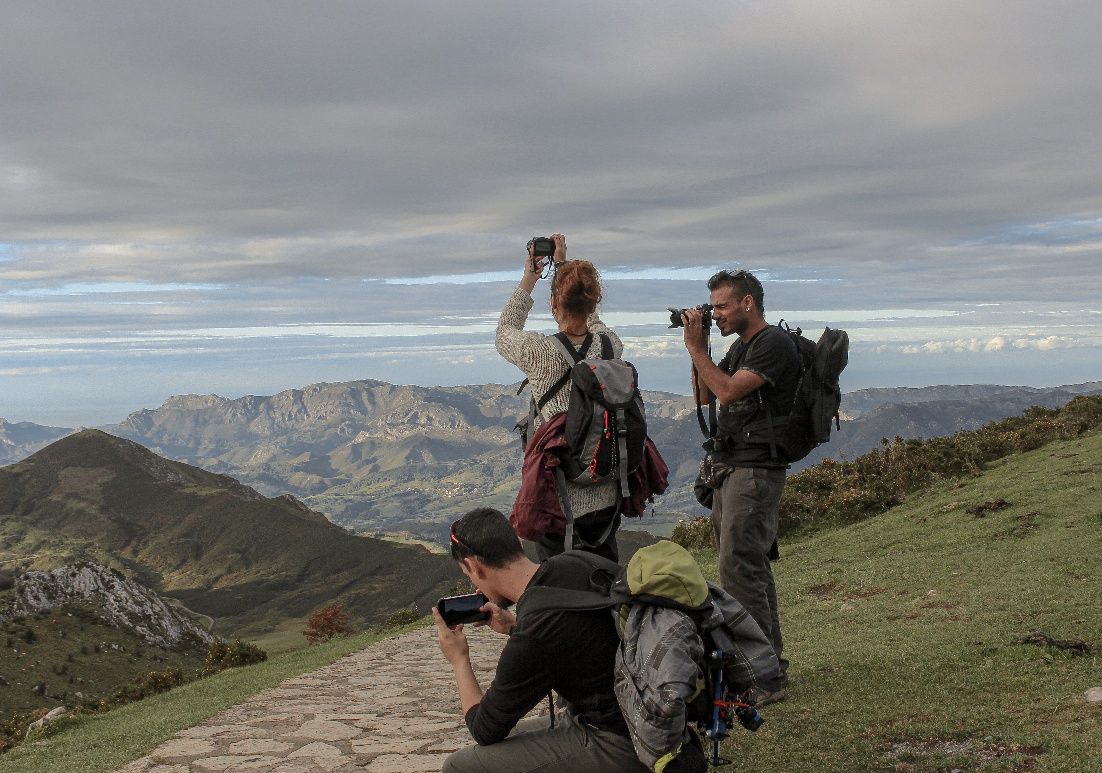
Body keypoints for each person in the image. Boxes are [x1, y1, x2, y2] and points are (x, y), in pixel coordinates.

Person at [432, 507, 645, 773]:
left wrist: (459, 659)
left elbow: (484, 728)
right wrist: (514, 627)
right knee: (509, 740)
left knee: (459, 766)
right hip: (643, 720)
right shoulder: (577, 561)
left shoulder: (536, 632)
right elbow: (575, 633)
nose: (477, 587)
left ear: (475, 565)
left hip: (620, 742)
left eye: (468, 575)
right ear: (516, 543)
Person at [680, 269, 799, 704]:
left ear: (748, 303)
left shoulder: (772, 345)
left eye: (722, 306)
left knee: (739, 571)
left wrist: (696, 347)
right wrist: (702, 351)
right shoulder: (740, 347)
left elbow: (728, 392)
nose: (717, 314)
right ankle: (771, 668)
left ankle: (763, 678)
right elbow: (707, 396)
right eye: (713, 307)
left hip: (756, 470)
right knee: (748, 570)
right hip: (733, 467)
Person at [496, 234, 625, 561]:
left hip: (560, 501)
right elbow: (593, 321)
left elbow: (505, 331)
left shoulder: (539, 353)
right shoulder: (610, 346)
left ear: (553, 303)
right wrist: (566, 268)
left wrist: (531, 276)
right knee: (605, 582)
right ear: (593, 302)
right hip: (607, 494)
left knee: (563, 589)